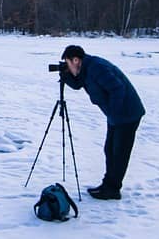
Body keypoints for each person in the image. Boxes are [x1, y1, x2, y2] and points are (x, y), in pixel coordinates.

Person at [59, 44, 144, 200]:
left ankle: (113, 189)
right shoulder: (85, 68)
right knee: (110, 150)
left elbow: (117, 89)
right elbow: (78, 84)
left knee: (119, 153)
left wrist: (114, 113)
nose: (68, 65)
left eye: (68, 62)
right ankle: (108, 185)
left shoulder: (97, 68)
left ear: (76, 60)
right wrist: (66, 76)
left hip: (127, 114)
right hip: (116, 116)